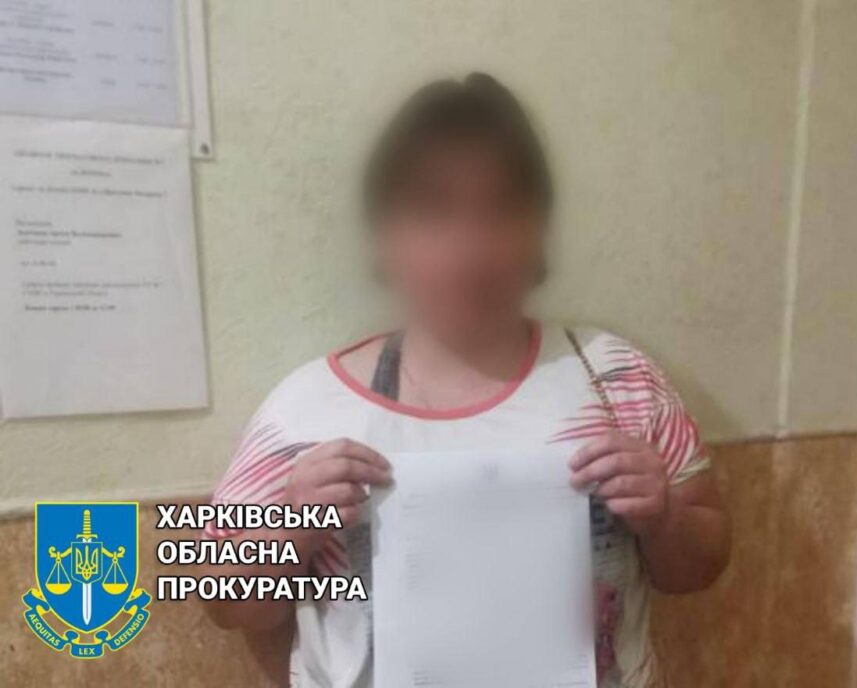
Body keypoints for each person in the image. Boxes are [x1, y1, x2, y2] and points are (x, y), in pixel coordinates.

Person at [202, 72, 731, 688]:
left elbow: (702, 565)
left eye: (502, 209)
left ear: (538, 231)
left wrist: (664, 518)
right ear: (385, 237)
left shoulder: (616, 379)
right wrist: (291, 529)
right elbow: (224, 604)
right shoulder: (306, 410)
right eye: (435, 211)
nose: (472, 247)